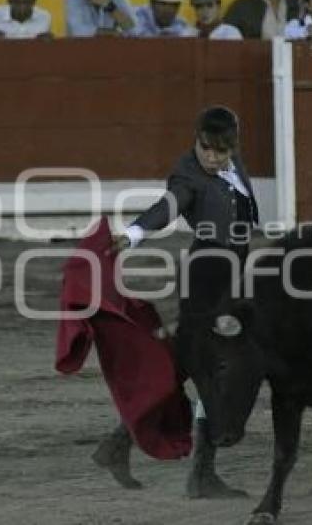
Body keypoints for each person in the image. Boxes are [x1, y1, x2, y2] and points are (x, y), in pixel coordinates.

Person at [94, 106, 259, 499]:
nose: (213, 158)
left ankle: (119, 444)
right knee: (211, 366)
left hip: (233, 274)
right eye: (206, 148)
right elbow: (168, 205)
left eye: (222, 151)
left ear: (233, 145)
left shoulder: (232, 160)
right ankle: (200, 472)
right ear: (196, 138)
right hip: (206, 276)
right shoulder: (188, 173)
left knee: (188, 364)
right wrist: (134, 234)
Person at [129, 0, 197, 38]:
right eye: (163, 4)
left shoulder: (181, 24)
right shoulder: (136, 16)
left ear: (178, 8)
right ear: (152, 3)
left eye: (173, 5)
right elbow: (135, 33)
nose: (168, 10)